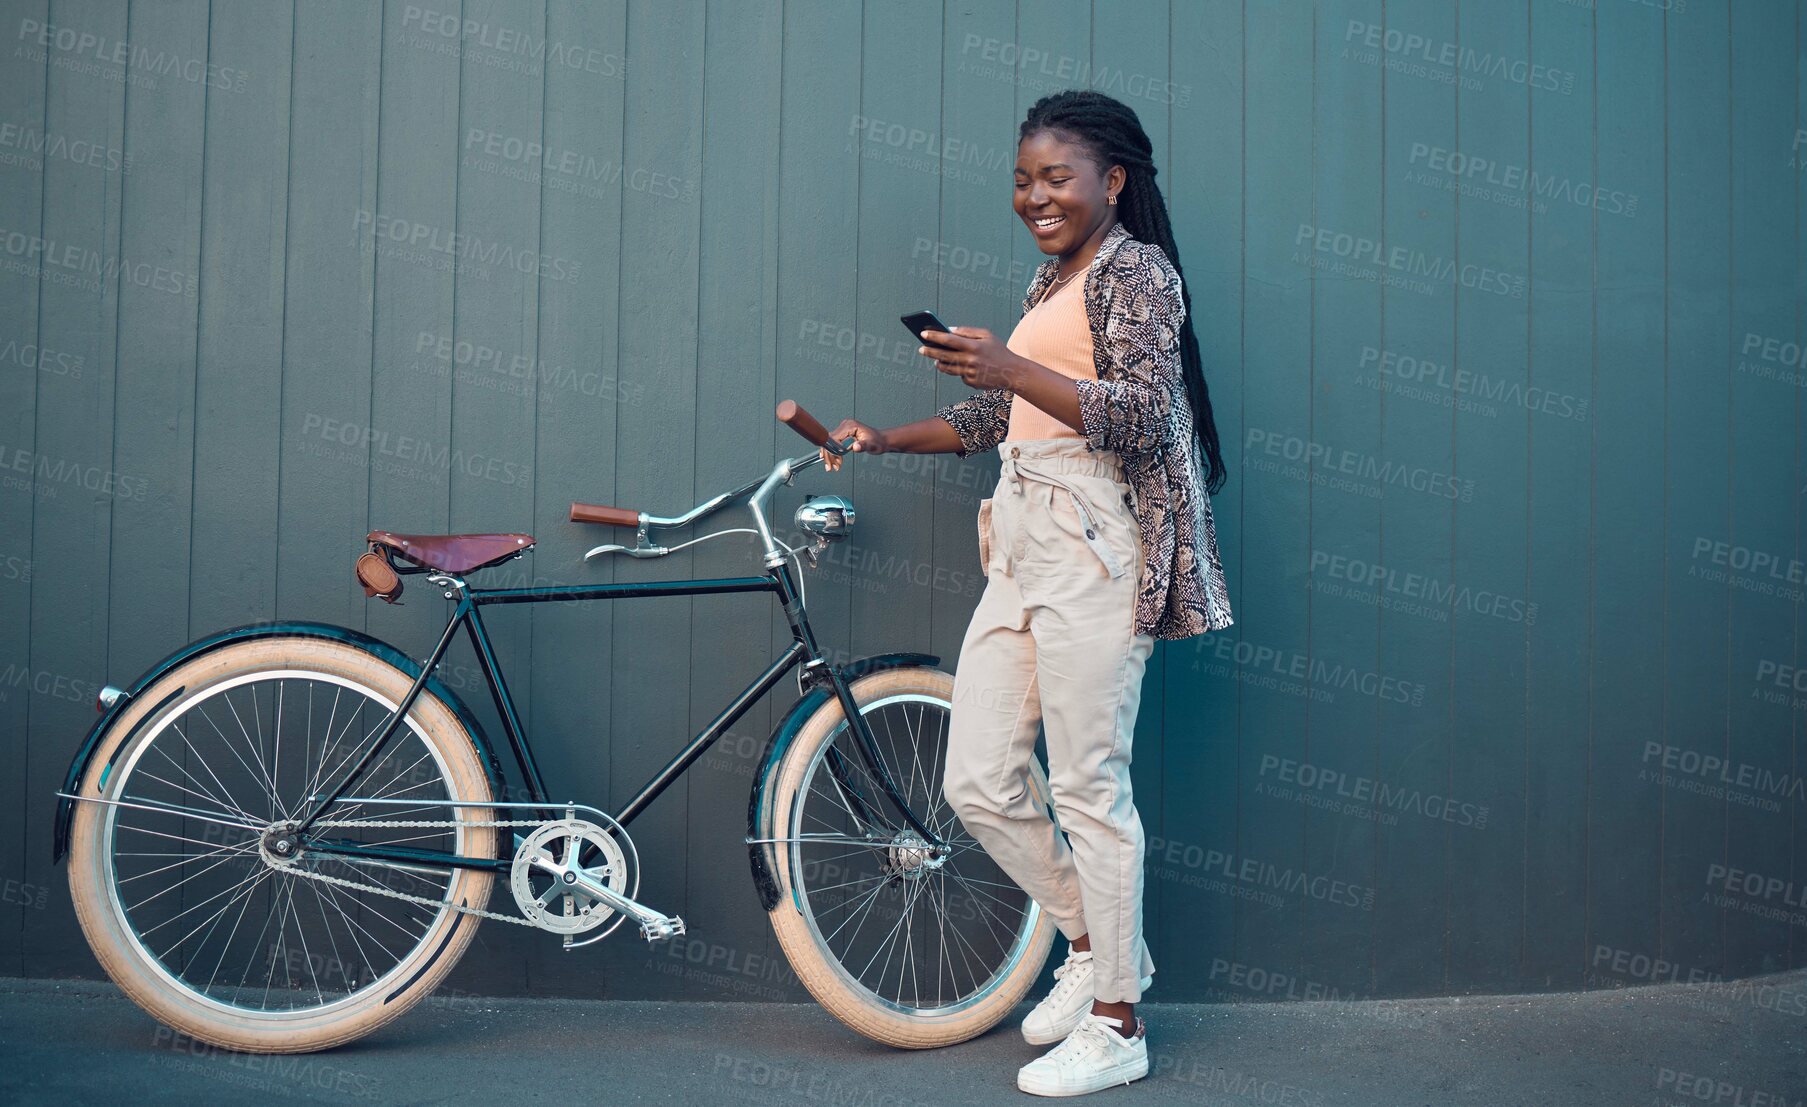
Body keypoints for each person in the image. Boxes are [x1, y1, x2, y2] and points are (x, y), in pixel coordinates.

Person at [821, 89, 1233, 1097]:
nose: (1035, 196)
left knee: (1089, 784)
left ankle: (1118, 1022)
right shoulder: (1056, 277)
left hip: (1094, 541)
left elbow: (1138, 416)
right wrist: (882, 437)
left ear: (1113, 182)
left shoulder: (1138, 271)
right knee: (978, 781)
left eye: (1056, 177)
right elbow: (999, 414)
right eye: (1021, 179)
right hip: (1019, 537)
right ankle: (1099, 947)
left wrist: (1006, 362)